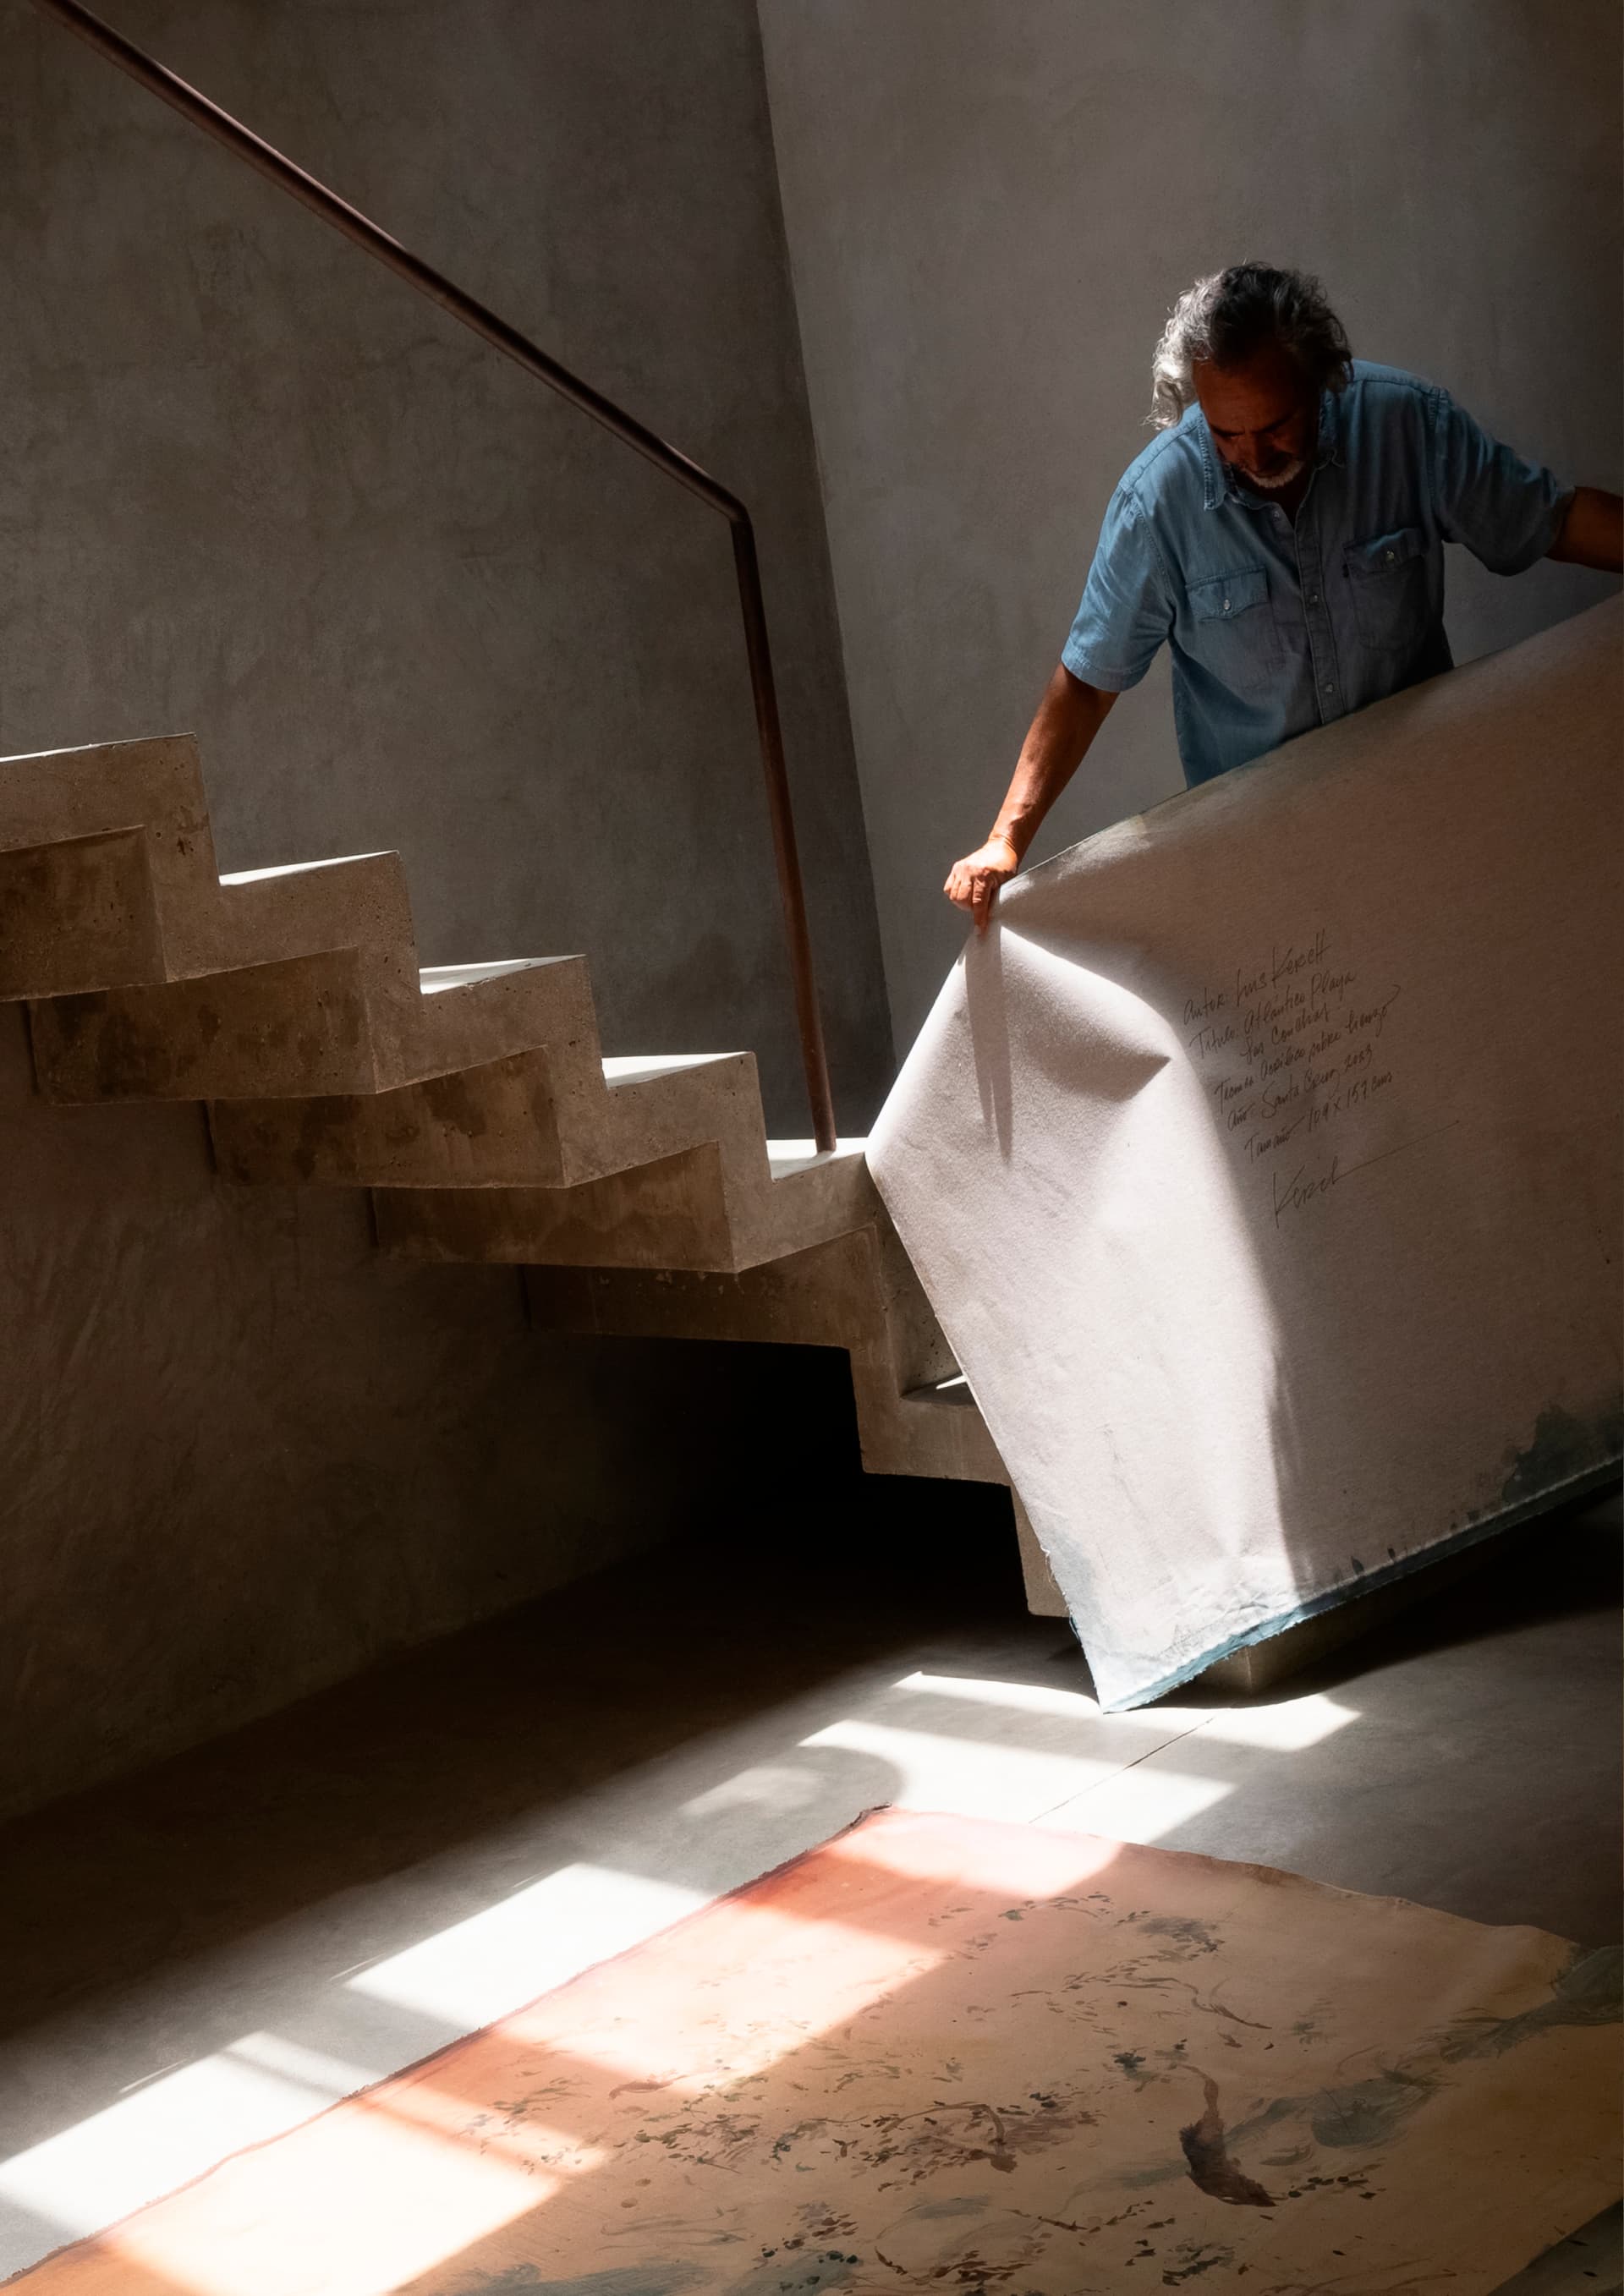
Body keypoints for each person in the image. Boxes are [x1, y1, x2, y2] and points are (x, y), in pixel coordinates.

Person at [945, 264, 1623, 929]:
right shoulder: (1157, 504)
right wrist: (1005, 839)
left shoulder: (1406, 426)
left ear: (1321, 379)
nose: (1253, 455)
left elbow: (1551, 519)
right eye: (1224, 433)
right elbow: (1087, 687)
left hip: (1424, 818)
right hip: (1264, 865)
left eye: (1274, 425)